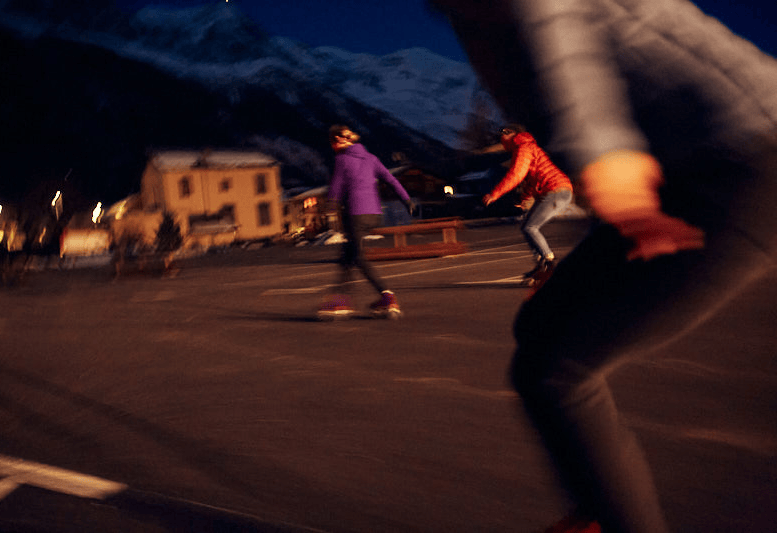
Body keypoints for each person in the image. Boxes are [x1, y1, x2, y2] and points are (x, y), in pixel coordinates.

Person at [431, 0, 777, 532]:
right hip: (684, 177)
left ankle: (612, 518)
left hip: (746, 165)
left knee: (557, 368)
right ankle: (604, 506)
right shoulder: (470, 18)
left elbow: (569, 58)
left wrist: (606, 161)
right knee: (542, 329)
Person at [318, 125, 416, 319]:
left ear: (338, 141)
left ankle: (387, 296)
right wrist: (406, 200)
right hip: (374, 214)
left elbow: (336, 187)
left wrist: (329, 208)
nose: (332, 147)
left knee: (359, 258)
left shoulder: (342, 160)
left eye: (332, 143)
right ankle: (341, 300)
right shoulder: (371, 158)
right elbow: (391, 179)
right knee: (348, 255)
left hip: (356, 214)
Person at [483, 124, 574, 283]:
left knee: (531, 227)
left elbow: (516, 175)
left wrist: (495, 193)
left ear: (511, 134)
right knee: (527, 227)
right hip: (555, 191)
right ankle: (541, 266)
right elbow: (531, 180)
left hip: (556, 191)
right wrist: (524, 199)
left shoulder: (523, 147)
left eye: (503, 135)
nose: (501, 139)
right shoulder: (525, 148)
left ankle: (549, 264)